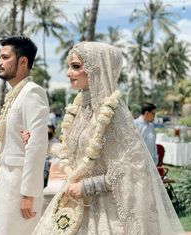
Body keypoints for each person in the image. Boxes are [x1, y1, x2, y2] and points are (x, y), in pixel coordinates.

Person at [32, 42, 183, 235]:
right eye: (69, 66)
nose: (68, 73)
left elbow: (130, 169)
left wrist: (87, 186)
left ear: (98, 70)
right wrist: (42, 142)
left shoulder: (115, 113)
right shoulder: (79, 109)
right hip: (72, 201)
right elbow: (72, 151)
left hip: (106, 214)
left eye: (76, 66)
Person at [0, 36, 49, 235]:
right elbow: (5, 148)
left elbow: (36, 147)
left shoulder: (32, 92)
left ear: (23, 61)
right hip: (3, 185)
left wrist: (28, 193)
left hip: (19, 189)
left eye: (5, 57)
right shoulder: (14, 94)